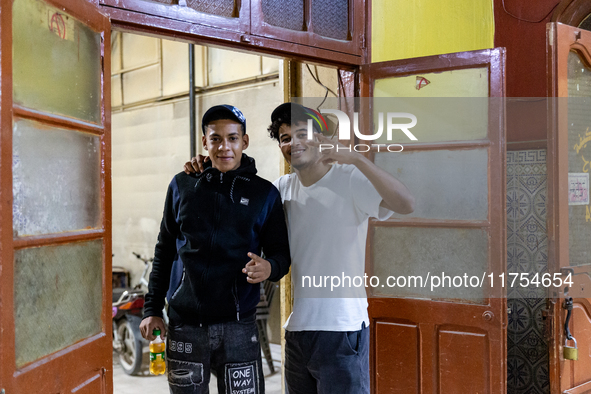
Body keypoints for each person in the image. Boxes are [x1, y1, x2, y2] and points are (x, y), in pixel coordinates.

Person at [184, 103, 414, 394]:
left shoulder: (350, 179)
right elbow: (237, 201)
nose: (294, 143)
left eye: (302, 133)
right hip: (297, 332)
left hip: (342, 329)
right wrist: (206, 168)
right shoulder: (280, 189)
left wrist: (357, 158)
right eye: (285, 137)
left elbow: (406, 204)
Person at [142, 104, 291, 394]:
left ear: (244, 141)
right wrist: (152, 309)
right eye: (216, 139)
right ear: (204, 142)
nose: (225, 147)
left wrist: (270, 267)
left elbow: (282, 255)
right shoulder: (182, 185)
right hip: (185, 326)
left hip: (239, 327)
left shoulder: (264, 194)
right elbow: (164, 251)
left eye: (233, 138)